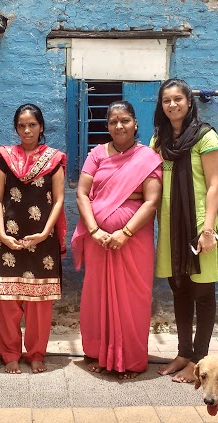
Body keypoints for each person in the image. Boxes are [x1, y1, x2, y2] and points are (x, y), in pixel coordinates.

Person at [71, 101, 163, 379]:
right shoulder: (97, 154)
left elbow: (151, 200)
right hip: (98, 239)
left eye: (124, 120)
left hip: (133, 241)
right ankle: (99, 353)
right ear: (107, 126)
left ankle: (131, 359)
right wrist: (95, 229)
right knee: (97, 295)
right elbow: (82, 194)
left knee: (133, 297)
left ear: (135, 123)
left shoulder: (146, 157)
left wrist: (125, 233)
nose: (119, 126)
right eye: (113, 121)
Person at [151, 78, 218, 384]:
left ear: (189, 102)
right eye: (166, 100)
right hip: (170, 225)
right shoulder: (159, 141)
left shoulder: (206, 137)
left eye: (177, 99)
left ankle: (199, 359)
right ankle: (184, 353)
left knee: (203, 293)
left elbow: (214, 185)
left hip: (200, 224)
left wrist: (208, 229)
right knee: (179, 289)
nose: (172, 105)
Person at [0, 103, 66, 375]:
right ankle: (9, 353)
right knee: (4, 302)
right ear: (16, 128)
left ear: (41, 127)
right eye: (22, 125)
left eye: (32, 124)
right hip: (8, 238)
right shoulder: (3, 158)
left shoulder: (54, 160)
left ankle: (36, 354)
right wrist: (2, 233)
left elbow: (59, 200)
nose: (27, 130)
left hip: (42, 240)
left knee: (39, 305)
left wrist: (45, 232)